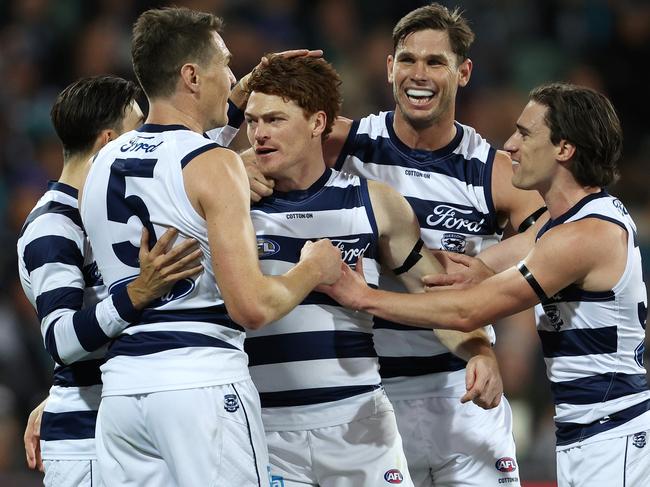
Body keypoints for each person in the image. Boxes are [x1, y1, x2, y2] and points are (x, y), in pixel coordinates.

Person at [242, 4, 545, 486]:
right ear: (389, 67)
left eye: (435, 62)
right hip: (371, 388)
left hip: (457, 378)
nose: (418, 74)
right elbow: (260, 141)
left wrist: (487, 265)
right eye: (407, 60)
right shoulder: (344, 141)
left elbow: (551, 230)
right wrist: (241, 164)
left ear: (463, 72)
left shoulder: (492, 170)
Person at [323, 82, 650, 487]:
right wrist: (482, 265)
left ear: (564, 149)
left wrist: (365, 297)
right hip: (591, 431)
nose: (510, 145)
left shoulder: (582, 237)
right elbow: (531, 243)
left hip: (611, 431)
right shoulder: (579, 222)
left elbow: (468, 311)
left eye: (526, 134)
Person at [80, 8, 342, 487]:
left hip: (122, 394)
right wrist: (313, 268)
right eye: (226, 65)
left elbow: (170, 172)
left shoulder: (103, 161)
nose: (234, 77)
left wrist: (232, 111)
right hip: (201, 383)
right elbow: (253, 307)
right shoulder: (215, 164)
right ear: (191, 76)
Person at [17, 75, 204, 487]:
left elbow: (196, 163)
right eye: (139, 127)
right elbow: (62, 339)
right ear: (108, 142)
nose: (149, 137)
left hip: (126, 425)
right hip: (86, 445)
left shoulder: (105, 210)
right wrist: (138, 293)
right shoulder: (54, 225)